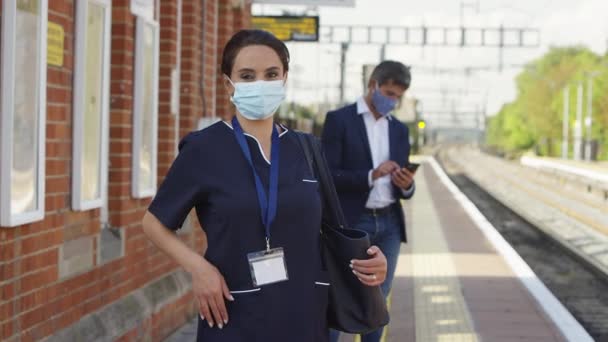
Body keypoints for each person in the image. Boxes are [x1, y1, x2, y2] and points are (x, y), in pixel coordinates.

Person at [141, 29, 388, 342]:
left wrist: (368, 260)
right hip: (234, 313)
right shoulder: (204, 149)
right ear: (228, 83)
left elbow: (330, 228)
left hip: (305, 316)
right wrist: (198, 268)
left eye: (271, 74)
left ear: (284, 78)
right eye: (247, 75)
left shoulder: (306, 149)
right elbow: (153, 224)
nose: (261, 83)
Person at [322, 61, 415, 342]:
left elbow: (405, 182)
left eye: (398, 96)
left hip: (389, 223)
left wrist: (407, 185)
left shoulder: (399, 129)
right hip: (352, 222)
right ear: (372, 85)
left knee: (377, 299)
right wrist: (371, 175)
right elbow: (327, 175)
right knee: (339, 294)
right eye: (388, 93)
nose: (393, 100)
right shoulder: (339, 120)